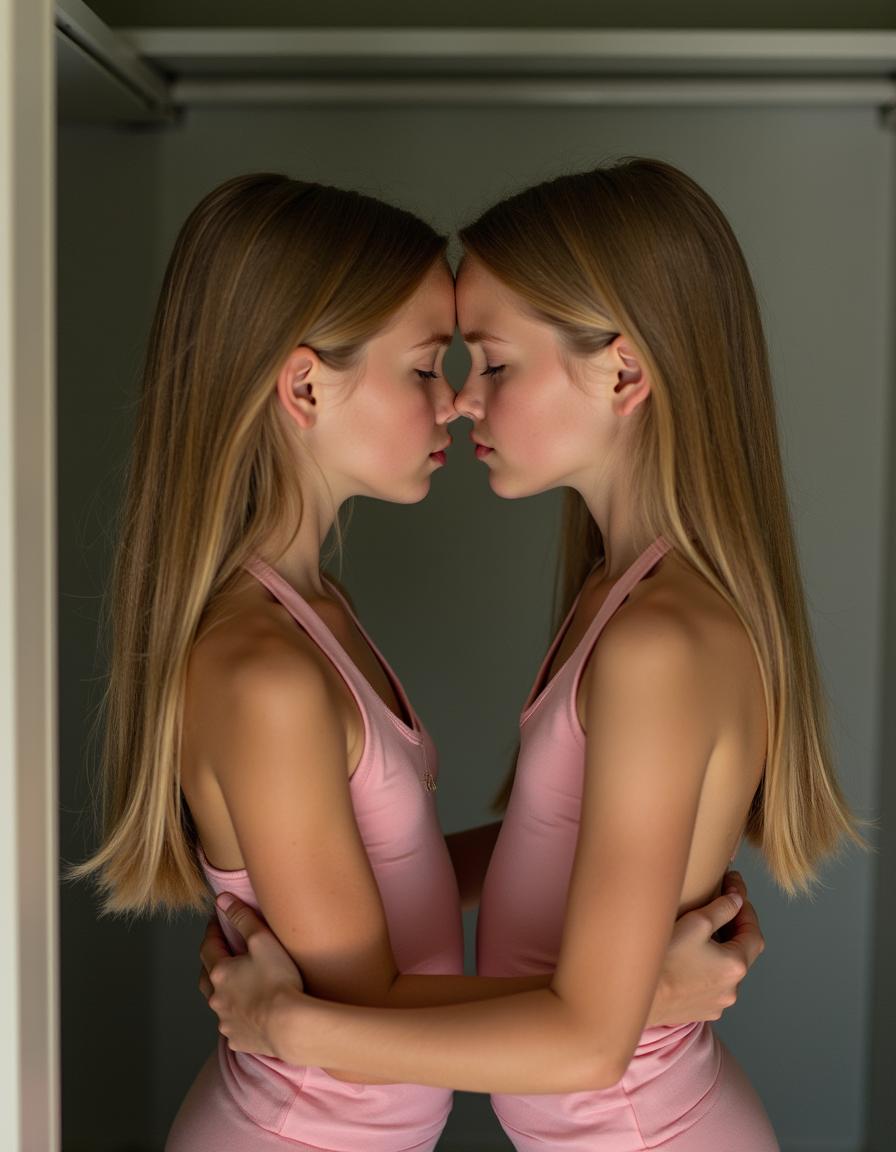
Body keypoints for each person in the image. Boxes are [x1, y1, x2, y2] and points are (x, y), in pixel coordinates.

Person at [73, 170, 765, 1152]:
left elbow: (428, 933)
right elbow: (392, 989)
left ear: (622, 375)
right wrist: (642, 997)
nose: (455, 402)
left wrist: (283, 1018)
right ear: (304, 386)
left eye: (485, 364)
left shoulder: (638, 628)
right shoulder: (270, 663)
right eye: (427, 369)